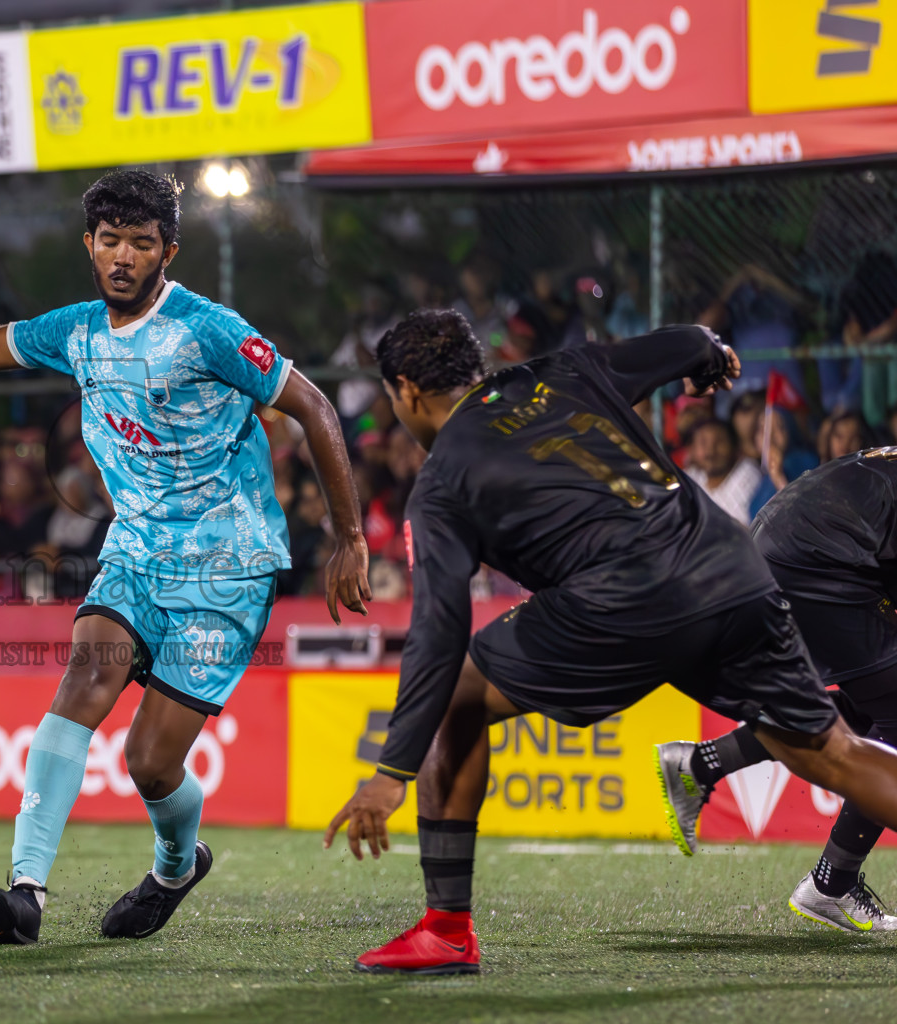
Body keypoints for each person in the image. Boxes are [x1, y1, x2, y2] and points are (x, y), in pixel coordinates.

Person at [321, 308, 897, 976]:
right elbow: (687, 341)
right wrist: (711, 358)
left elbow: (437, 632)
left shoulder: (443, 482)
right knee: (836, 752)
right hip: (734, 570)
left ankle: (447, 930)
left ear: (406, 392)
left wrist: (392, 772)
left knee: (459, 694)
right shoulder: (562, 372)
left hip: (627, 596)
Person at [0, 170, 371, 944]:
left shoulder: (207, 329)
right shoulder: (76, 330)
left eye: (141, 243)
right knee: (85, 677)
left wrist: (349, 536)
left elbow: (311, 405)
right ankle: (25, 892)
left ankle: (176, 866)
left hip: (227, 567)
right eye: (109, 240)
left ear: (166, 251)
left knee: (149, 763)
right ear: (90, 244)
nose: (122, 256)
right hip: (137, 554)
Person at [655, 447, 897, 930]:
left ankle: (702, 763)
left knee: (873, 702)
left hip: (795, 546)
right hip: (816, 559)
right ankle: (831, 884)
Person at [684, 418, 761, 525]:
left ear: (734, 446)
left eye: (719, 442)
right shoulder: (691, 476)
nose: (710, 451)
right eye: (703, 442)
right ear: (692, 449)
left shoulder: (747, 473)